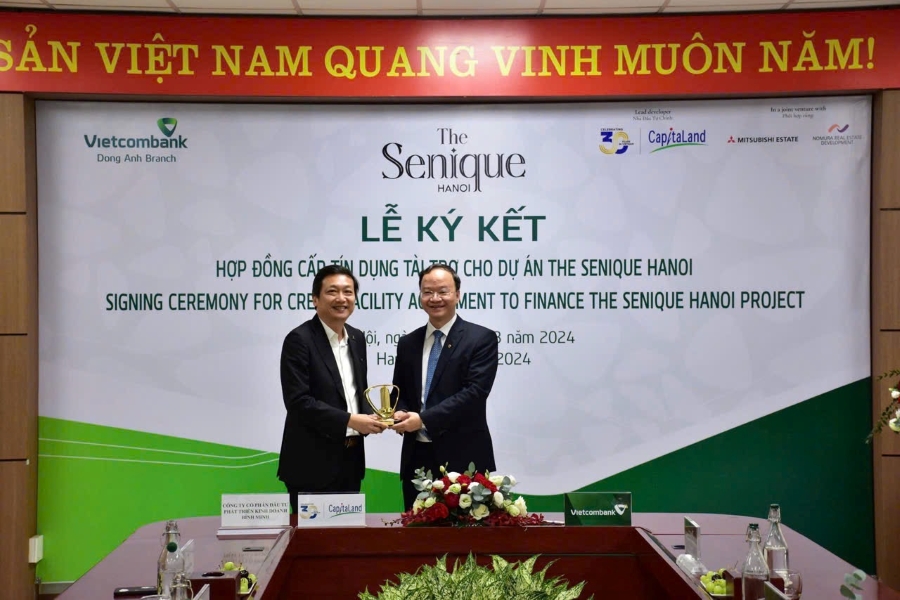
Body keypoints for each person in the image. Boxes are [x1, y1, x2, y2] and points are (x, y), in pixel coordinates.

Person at [277, 264, 387, 514]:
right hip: (311, 466)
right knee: (313, 538)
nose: (341, 298)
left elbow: (354, 393)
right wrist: (351, 420)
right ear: (315, 299)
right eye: (332, 291)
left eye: (348, 292)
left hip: (351, 462)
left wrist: (378, 418)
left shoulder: (357, 338)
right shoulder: (299, 340)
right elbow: (298, 402)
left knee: (347, 535)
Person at [391, 263, 499, 510]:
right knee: (417, 531)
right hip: (417, 460)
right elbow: (400, 392)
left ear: (457, 294)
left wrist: (422, 419)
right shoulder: (408, 343)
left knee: (466, 533)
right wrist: (400, 412)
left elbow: (474, 394)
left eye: (443, 291)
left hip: (464, 459)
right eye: (427, 292)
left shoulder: (481, 339)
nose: (435, 298)